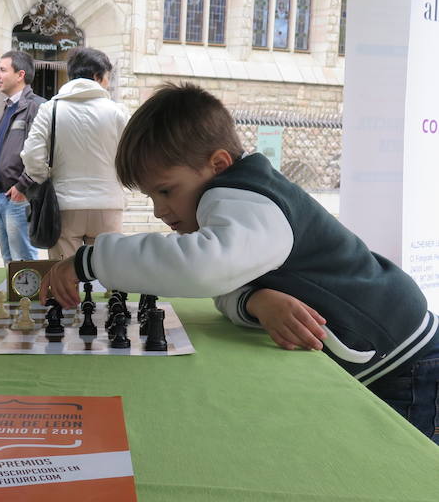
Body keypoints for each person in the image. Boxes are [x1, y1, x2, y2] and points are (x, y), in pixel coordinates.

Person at [41, 82, 439, 443]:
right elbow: (223, 281)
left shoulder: (246, 198)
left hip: (405, 357)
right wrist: (254, 300)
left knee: (406, 470)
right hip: (389, 350)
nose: (160, 209)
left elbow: (202, 269)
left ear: (217, 165)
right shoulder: (236, 202)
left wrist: (90, 260)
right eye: (151, 196)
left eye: (166, 190)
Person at [21, 47, 127, 260]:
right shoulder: (117, 111)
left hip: (64, 205)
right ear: (98, 77)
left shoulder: (50, 109)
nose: (108, 82)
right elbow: (132, 156)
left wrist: (45, 177)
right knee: (108, 270)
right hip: (108, 203)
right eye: (107, 77)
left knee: (64, 276)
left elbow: (32, 154)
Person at [0, 50, 45, 263]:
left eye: (2, 70)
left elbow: (43, 152)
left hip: (19, 197)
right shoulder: (7, 109)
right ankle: (15, 299)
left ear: (20, 75)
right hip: (0, 196)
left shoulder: (36, 107)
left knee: (24, 262)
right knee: (9, 261)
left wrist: (22, 186)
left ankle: (32, 299)